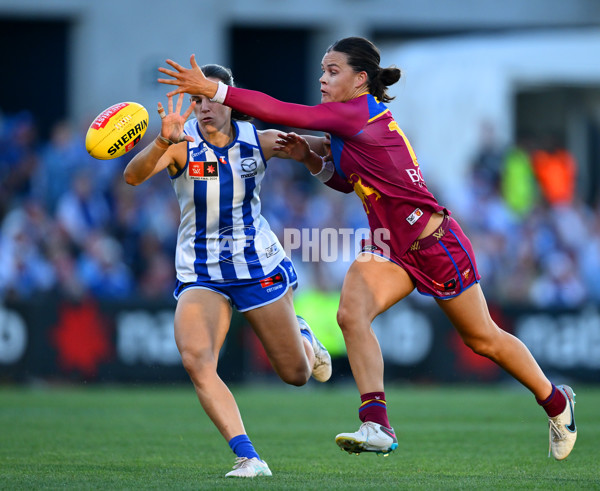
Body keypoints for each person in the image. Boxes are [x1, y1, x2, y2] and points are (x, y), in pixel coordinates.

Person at [157, 38, 577, 461]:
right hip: (390, 247)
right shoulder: (348, 122)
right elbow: (347, 179)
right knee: (350, 315)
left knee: (483, 338)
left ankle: (556, 402)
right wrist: (310, 159)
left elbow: (287, 113)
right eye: (322, 70)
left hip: (433, 243)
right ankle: (377, 424)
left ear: (360, 80)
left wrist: (215, 90)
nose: (322, 78)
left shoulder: (354, 112)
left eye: (333, 71)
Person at [125, 64, 332, 478]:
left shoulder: (261, 140)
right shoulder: (181, 145)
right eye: (196, 101)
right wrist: (162, 138)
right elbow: (133, 176)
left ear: (229, 99)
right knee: (196, 360)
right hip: (201, 273)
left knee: (296, 374)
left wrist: (358, 141)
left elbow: (325, 146)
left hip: (256, 267)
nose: (203, 108)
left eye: (210, 99)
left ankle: (304, 332)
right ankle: (248, 456)